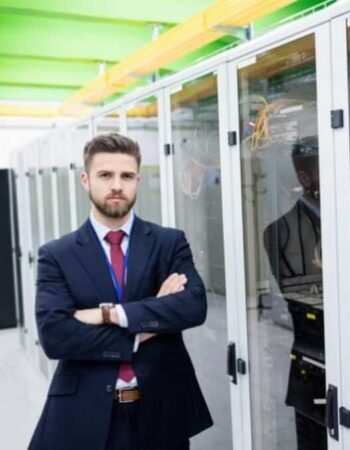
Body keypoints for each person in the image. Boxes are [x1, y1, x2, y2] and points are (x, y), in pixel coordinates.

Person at [29, 133, 213, 450]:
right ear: (86, 180)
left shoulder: (168, 242)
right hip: (86, 410)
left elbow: (193, 306)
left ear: (137, 180)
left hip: (162, 407)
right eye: (105, 175)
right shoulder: (57, 254)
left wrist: (110, 314)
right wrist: (149, 322)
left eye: (126, 176)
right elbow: (55, 335)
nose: (117, 185)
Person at [263, 137, 350, 450]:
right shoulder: (280, 233)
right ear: (304, 178)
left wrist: (347, 285)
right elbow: (309, 303)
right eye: (329, 169)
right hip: (317, 369)